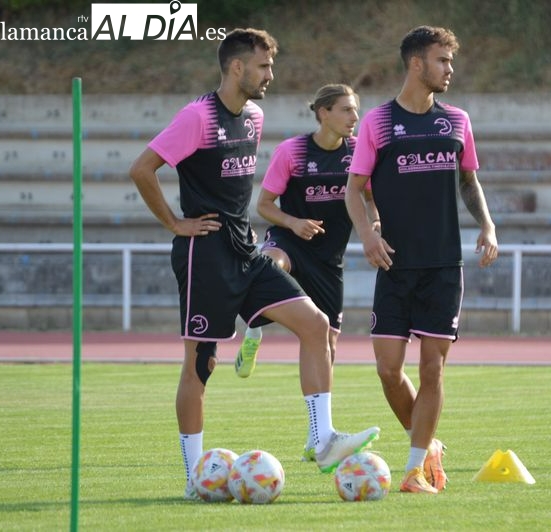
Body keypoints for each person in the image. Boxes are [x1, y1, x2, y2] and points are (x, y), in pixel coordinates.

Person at [128, 28, 380, 500]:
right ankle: (193, 477)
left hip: (245, 250)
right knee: (200, 366)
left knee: (316, 324)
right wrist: (174, 224)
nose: (271, 74)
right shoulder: (197, 116)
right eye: (264, 66)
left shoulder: (256, 117)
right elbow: (142, 169)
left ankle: (322, 440)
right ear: (238, 67)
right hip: (205, 255)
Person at [345, 25, 499, 494]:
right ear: (417, 64)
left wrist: (488, 226)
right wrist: (367, 235)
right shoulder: (377, 122)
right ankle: (428, 445)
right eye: (442, 61)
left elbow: (469, 181)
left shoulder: (457, 121)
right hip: (394, 264)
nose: (449, 70)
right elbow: (353, 190)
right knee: (389, 370)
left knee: (433, 369)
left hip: (443, 266)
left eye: (450, 62)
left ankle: (413, 469)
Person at [237, 83, 378, 461]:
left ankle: (316, 436)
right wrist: (294, 222)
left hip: (328, 260)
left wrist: (375, 223)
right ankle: (253, 328)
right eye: (347, 110)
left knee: (327, 347)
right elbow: (264, 205)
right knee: (271, 266)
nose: (354, 117)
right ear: (323, 113)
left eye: (356, 110)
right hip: (289, 240)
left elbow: (369, 198)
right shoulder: (293, 151)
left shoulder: (358, 153)